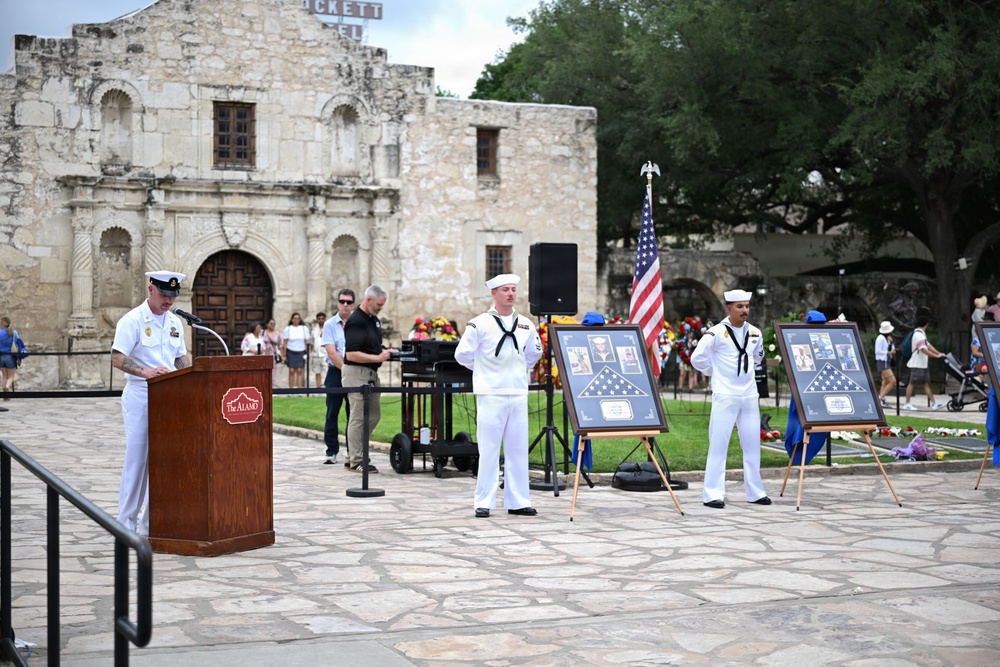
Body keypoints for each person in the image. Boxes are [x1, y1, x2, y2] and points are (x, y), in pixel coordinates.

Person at [455, 273, 542, 518]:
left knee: (517, 449)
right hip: (490, 393)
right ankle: (483, 501)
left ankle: (518, 501)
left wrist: (517, 368)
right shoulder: (479, 323)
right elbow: (463, 354)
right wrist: (483, 369)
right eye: (505, 290)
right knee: (489, 449)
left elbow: (535, 352)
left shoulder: (525, 323)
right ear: (494, 293)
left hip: (516, 392)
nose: (511, 294)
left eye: (513, 289)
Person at [110, 271, 190, 536]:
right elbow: (117, 357)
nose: (169, 300)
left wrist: (193, 379)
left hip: (170, 397)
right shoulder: (132, 320)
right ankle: (126, 523)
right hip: (142, 393)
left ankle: (151, 523)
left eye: (173, 295)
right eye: (165, 294)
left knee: (163, 459)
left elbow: (179, 359)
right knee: (138, 458)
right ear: (151, 289)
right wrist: (146, 372)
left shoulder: (176, 323)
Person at [690, 288, 770, 509]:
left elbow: (757, 358)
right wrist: (713, 371)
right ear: (729, 308)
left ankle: (756, 491)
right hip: (725, 395)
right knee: (719, 444)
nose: (745, 310)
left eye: (747, 306)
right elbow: (697, 359)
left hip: (749, 395)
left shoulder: (755, 332)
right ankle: (713, 494)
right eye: (740, 306)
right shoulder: (716, 333)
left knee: (753, 445)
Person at [342, 285, 395, 474]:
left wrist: (386, 352)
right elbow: (352, 354)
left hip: (371, 373)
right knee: (357, 417)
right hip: (357, 373)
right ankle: (356, 460)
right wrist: (378, 358)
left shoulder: (374, 320)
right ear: (369, 300)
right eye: (379, 304)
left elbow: (372, 346)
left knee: (373, 415)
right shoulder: (356, 321)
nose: (381, 308)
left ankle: (355, 453)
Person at [321, 289, 355, 465]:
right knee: (332, 412)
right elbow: (331, 352)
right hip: (336, 372)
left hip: (354, 372)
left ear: (353, 304)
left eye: (349, 302)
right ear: (337, 303)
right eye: (342, 301)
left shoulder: (358, 324)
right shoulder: (329, 325)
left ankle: (353, 451)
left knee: (354, 414)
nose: (345, 305)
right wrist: (345, 370)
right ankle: (331, 451)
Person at [903, 314, 945, 410]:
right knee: (912, 383)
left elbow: (928, 346)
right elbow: (924, 350)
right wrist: (936, 356)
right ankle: (907, 403)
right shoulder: (919, 335)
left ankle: (933, 403)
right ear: (926, 324)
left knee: (926, 383)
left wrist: (939, 353)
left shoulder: (921, 334)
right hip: (917, 364)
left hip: (922, 364)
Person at [282, 312, 311, 389]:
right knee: (291, 370)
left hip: (301, 351)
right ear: (291, 320)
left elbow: (307, 342)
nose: (296, 320)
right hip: (290, 351)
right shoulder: (288, 329)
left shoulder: (304, 329)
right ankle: (291, 389)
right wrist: (284, 355)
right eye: (295, 318)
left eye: (298, 318)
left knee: (299, 370)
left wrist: (308, 353)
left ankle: (299, 389)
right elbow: (285, 343)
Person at [874, 321, 896, 407]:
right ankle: (880, 398)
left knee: (885, 381)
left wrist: (891, 343)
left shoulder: (887, 339)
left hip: (887, 361)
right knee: (892, 381)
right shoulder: (880, 338)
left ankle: (881, 400)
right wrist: (889, 352)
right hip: (883, 361)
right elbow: (878, 351)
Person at [0, 316, 21, 400]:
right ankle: (7, 388)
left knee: (4, 376)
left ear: (2, 324)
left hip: (1, 356)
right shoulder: (13, 333)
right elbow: (17, 343)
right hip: (10, 356)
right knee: (11, 376)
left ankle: (4, 394)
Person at [262, 318, 283, 388]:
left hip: (272, 354)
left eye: (274, 324)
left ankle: (272, 386)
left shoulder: (277, 334)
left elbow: (280, 345)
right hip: (263, 354)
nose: (272, 325)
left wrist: (282, 355)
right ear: (267, 324)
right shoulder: (262, 332)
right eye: (271, 323)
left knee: (273, 370)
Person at [311, 312, 327, 389]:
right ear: (317, 320)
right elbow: (311, 342)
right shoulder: (314, 329)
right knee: (317, 372)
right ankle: (318, 388)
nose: (321, 320)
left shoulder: (328, 328)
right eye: (319, 319)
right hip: (316, 354)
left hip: (325, 354)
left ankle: (327, 387)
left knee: (327, 371)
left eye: (322, 319)